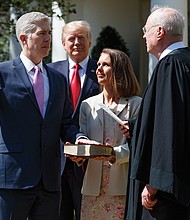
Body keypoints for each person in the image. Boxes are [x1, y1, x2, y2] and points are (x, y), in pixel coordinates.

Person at [0, 12, 89, 220]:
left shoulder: (58, 79)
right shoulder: (3, 74)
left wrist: (78, 138)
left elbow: (65, 121)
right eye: (41, 33)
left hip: (50, 181)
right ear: (23, 38)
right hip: (14, 179)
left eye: (49, 33)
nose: (48, 39)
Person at [126, 6, 190, 220]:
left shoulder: (170, 65)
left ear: (160, 32)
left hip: (168, 194)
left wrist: (153, 184)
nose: (144, 35)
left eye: (146, 30)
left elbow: (168, 126)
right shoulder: (185, 61)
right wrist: (136, 128)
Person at [76, 48, 141, 219]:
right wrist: (78, 153)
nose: (98, 69)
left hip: (122, 186)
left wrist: (113, 154)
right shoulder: (87, 105)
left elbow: (140, 145)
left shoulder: (137, 105)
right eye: (98, 64)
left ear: (119, 69)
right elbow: (83, 141)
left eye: (105, 65)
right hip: (92, 188)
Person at [48, 20, 99, 220]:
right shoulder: (50, 72)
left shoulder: (102, 71)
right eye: (71, 38)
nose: (76, 42)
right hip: (56, 160)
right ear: (63, 43)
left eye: (81, 37)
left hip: (90, 160)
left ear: (90, 41)